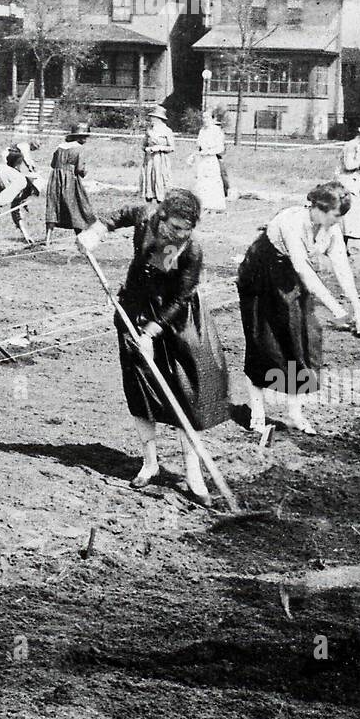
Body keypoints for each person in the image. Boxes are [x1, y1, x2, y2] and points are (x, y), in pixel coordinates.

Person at [77, 188, 229, 505]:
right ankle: (150, 463)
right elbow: (119, 216)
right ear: (162, 218)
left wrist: (152, 331)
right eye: (175, 228)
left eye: (188, 229)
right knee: (140, 388)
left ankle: (194, 475)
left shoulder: (192, 250)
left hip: (176, 319)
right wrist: (97, 231)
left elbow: (181, 297)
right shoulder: (146, 216)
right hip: (134, 307)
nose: (182, 234)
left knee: (186, 394)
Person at [236, 180, 360, 434]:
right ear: (319, 208)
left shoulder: (331, 229)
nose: (337, 222)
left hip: (290, 276)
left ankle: (295, 414)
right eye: (334, 216)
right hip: (261, 275)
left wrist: (358, 311)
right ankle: (257, 413)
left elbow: (342, 267)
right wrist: (337, 309)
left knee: (303, 339)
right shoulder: (292, 221)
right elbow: (302, 268)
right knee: (263, 343)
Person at [44, 122, 95, 248]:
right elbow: (80, 169)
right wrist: (84, 172)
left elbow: (52, 164)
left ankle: (48, 239)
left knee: (54, 205)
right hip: (70, 180)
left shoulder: (60, 147)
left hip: (55, 179)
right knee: (76, 206)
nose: (85, 139)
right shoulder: (78, 149)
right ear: (77, 137)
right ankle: (80, 239)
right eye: (83, 137)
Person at [191, 110, 227, 212]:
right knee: (201, 181)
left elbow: (220, 148)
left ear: (213, 119)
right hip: (202, 160)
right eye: (203, 118)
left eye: (207, 118)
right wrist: (193, 156)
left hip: (211, 160)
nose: (204, 120)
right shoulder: (202, 131)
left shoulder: (216, 131)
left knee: (212, 181)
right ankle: (202, 204)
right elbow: (198, 146)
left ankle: (214, 206)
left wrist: (208, 152)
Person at [140, 104, 174, 203]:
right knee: (149, 178)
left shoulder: (167, 131)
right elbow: (143, 145)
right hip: (149, 159)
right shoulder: (149, 130)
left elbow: (172, 147)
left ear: (159, 118)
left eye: (153, 117)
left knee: (160, 178)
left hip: (161, 159)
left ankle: (161, 200)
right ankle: (149, 199)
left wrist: (159, 148)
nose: (151, 119)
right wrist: (146, 149)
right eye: (151, 117)